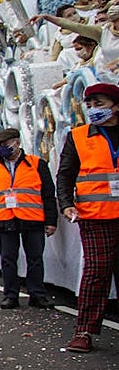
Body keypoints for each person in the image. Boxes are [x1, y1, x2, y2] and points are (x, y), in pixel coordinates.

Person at [55, 82, 119, 352]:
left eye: (100, 105)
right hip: (96, 217)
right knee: (96, 272)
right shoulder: (78, 136)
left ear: (116, 106)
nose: (93, 110)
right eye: (89, 106)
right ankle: (84, 331)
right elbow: (65, 174)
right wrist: (67, 204)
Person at [0, 128, 58, 309]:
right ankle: (10, 295)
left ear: (17, 142)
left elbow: (48, 195)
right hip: (4, 219)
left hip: (32, 218)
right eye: (0, 146)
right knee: (8, 259)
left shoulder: (36, 164)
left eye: (6, 145)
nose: (3, 149)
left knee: (35, 258)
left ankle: (37, 294)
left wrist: (51, 221)